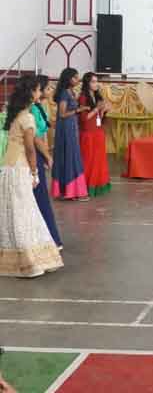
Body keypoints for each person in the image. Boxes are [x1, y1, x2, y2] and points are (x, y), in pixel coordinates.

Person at [0, 76, 64, 278]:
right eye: (37, 90)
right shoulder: (27, 118)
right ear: (30, 93)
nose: (40, 93)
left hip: (8, 167)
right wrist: (35, 172)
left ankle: (20, 258)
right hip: (20, 169)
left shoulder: (15, 114)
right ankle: (30, 261)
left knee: (13, 213)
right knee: (25, 213)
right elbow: (29, 149)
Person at [31, 74, 62, 248]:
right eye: (47, 88)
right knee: (40, 197)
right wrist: (47, 156)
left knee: (40, 196)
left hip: (40, 151)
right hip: (34, 152)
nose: (51, 90)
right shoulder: (32, 110)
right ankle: (49, 239)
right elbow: (35, 138)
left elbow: (45, 128)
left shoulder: (40, 106)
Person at [52, 68, 89, 201]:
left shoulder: (71, 92)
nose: (78, 80)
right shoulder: (64, 93)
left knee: (73, 156)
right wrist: (79, 110)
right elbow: (62, 114)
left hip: (72, 127)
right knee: (69, 156)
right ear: (68, 79)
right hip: (65, 128)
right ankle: (69, 191)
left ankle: (71, 190)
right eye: (75, 77)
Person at [78, 72, 111, 197]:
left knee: (98, 161)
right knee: (88, 161)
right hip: (88, 134)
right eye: (93, 81)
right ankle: (85, 187)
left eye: (97, 81)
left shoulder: (97, 96)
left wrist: (103, 111)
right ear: (87, 83)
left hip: (98, 132)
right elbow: (84, 119)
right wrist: (96, 109)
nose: (96, 84)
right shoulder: (83, 97)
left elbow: (99, 118)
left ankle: (97, 185)